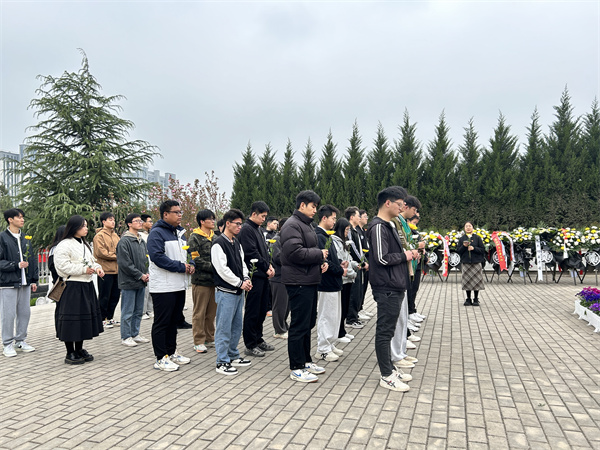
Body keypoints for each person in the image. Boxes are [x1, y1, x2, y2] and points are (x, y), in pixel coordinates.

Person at [366, 187, 417, 392]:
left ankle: (390, 369)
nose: (402, 208)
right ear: (387, 203)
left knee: (388, 330)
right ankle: (386, 375)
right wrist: (406, 255)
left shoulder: (389, 225)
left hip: (394, 285)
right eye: (399, 204)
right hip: (386, 286)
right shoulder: (378, 227)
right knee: (384, 332)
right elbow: (381, 258)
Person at [280, 190, 328, 383]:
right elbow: (295, 253)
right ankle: (296, 367)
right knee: (299, 325)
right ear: (302, 205)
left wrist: (320, 262)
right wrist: (319, 254)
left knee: (308, 323)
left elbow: (308, 251)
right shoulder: (292, 225)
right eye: (313, 206)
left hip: (309, 279)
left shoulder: (307, 225)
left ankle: (306, 360)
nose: (315, 210)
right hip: (298, 281)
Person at [147, 200, 194, 372]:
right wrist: (182, 267)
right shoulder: (157, 233)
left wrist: (192, 263)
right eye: (176, 212)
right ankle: (161, 358)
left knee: (174, 321)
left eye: (180, 212)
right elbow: (157, 257)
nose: (180, 215)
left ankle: (171, 352)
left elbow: (189, 253)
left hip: (178, 284)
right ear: (165, 214)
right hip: (163, 286)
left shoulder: (180, 233)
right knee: (162, 322)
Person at [54, 215, 105, 364]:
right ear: (74, 227)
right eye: (83, 226)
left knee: (83, 319)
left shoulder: (84, 244)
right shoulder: (64, 245)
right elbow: (62, 267)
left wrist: (97, 268)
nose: (86, 228)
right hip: (72, 286)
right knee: (72, 319)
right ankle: (70, 351)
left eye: (86, 226)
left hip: (86, 285)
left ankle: (79, 348)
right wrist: (84, 269)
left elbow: (92, 261)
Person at [211, 209, 252, 376]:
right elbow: (222, 270)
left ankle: (233, 355)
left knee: (236, 326)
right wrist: (239, 283)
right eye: (237, 224)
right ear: (227, 223)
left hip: (238, 291)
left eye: (241, 224)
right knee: (223, 327)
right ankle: (221, 361)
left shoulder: (236, 243)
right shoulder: (218, 244)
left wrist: (246, 278)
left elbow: (242, 264)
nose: (239, 227)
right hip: (226, 291)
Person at [238, 201, 275, 357]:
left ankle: (258, 339)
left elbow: (264, 252)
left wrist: (269, 265)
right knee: (252, 311)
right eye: (262, 216)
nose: (264, 220)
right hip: (254, 276)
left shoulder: (258, 229)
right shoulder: (247, 229)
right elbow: (251, 252)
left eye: (265, 217)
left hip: (263, 275)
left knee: (261, 310)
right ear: (254, 214)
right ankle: (250, 344)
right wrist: (266, 267)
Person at [0, 208, 38, 357]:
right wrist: (15, 265)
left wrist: (34, 280)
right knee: (8, 315)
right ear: (10, 219)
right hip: (8, 283)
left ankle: (20, 341)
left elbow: (32, 260)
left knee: (24, 313)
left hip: (25, 282)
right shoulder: (2, 238)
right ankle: (7, 344)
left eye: (23, 217)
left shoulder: (25, 238)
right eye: (19, 217)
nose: (22, 219)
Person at [314, 205, 347, 362]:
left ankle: (330, 343)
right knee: (326, 316)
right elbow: (324, 262)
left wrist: (340, 263)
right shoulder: (319, 236)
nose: (334, 221)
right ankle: (323, 349)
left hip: (334, 282)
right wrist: (340, 270)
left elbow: (331, 258)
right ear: (324, 218)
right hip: (326, 283)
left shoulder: (327, 236)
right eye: (333, 218)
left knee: (334, 316)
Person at [116, 213, 150, 347]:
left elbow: (146, 259)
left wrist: (146, 273)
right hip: (129, 281)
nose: (140, 223)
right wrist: (140, 275)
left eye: (140, 221)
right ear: (129, 224)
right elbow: (125, 263)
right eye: (136, 221)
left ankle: (135, 334)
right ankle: (126, 336)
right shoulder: (124, 241)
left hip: (141, 280)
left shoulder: (141, 240)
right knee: (128, 311)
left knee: (138, 310)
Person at [188, 209, 217, 354]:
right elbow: (195, 258)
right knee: (199, 312)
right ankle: (198, 341)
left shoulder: (215, 237)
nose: (213, 221)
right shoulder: (194, 237)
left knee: (211, 312)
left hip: (214, 281)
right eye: (210, 219)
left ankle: (209, 337)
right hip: (201, 281)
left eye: (213, 219)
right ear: (202, 221)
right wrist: (215, 268)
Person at [331, 218, 358, 345]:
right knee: (340, 308)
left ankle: (342, 330)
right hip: (343, 278)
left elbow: (348, 258)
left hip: (347, 279)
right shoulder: (334, 241)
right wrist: (353, 273)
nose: (347, 232)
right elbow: (340, 260)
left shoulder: (343, 242)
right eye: (346, 230)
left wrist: (356, 264)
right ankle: (338, 332)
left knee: (345, 306)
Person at [93, 212, 121, 328]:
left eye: (113, 219)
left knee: (115, 296)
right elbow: (101, 253)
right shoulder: (99, 236)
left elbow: (121, 249)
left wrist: (118, 255)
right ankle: (102, 319)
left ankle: (110, 317)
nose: (113, 222)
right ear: (103, 222)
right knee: (104, 296)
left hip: (117, 270)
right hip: (105, 271)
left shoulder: (116, 235)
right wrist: (118, 256)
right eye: (110, 219)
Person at [344, 206, 369, 328]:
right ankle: (350, 319)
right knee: (353, 293)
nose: (360, 218)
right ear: (352, 217)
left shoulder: (356, 231)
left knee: (358, 292)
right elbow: (353, 249)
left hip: (358, 265)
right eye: (358, 216)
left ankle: (355, 316)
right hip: (353, 265)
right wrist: (362, 262)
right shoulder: (349, 230)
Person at [457, 221, 486, 306]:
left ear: (473, 228)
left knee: (476, 282)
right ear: (464, 228)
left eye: (470, 226)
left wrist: (474, 248)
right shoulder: (462, 239)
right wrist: (464, 246)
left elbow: (482, 250)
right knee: (467, 282)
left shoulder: (477, 238)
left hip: (476, 262)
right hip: (466, 262)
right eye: (466, 226)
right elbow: (458, 251)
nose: (468, 228)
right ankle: (468, 298)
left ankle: (476, 299)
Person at [270, 217, 290, 339]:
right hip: (278, 277)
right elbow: (277, 257)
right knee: (279, 305)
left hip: (288, 276)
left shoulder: (288, 239)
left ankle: (283, 326)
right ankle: (279, 330)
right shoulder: (276, 240)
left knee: (286, 305)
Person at [139, 214, 154, 320]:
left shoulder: (150, 234)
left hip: (151, 263)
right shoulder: (140, 235)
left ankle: (150, 310)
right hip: (143, 263)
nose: (151, 223)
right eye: (149, 221)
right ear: (143, 223)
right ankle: (142, 311)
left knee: (150, 288)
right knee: (144, 289)